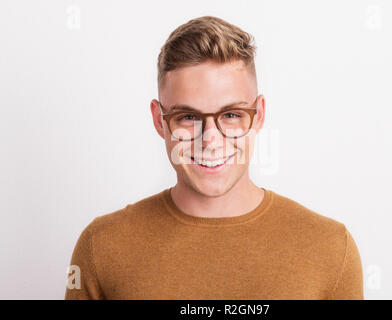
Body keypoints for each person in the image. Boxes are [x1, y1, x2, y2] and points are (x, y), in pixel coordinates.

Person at [65, 15, 364, 300]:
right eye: (188, 116)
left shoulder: (332, 249)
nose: (210, 140)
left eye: (231, 114)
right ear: (159, 121)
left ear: (258, 115)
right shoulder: (101, 247)